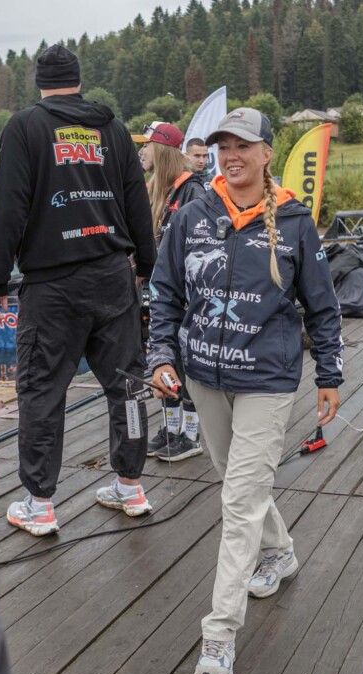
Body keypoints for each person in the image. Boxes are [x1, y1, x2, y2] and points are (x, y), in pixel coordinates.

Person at [147, 107, 343, 674]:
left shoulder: (296, 221)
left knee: (238, 502)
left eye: (242, 146)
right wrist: (162, 355)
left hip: (266, 379)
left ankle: (219, 634)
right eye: (222, 146)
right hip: (203, 377)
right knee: (240, 484)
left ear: (266, 153)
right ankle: (280, 551)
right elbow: (165, 291)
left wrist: (329, 374)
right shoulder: (193, 215)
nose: (231, 156)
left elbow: (323, 305)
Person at [0, 44, 158, 536]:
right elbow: (137, 201)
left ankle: (40, 504)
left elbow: (9, 205)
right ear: (79, 80)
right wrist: (146, 264)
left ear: (40, 82)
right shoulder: (112, 128)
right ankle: (131, 486)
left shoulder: (25, 127)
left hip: (53, 285)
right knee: (128, 384)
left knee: (41, 390)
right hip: (113, 276)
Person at [132, 121, 207, 462]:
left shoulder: (193, 190)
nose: (141, 151)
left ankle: (191, 435)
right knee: (166, 361)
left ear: (161, 150)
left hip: (188, 298)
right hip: (162, 295)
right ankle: (171, 429)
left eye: (146, 145)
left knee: (187, 364)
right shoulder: (159, 190)